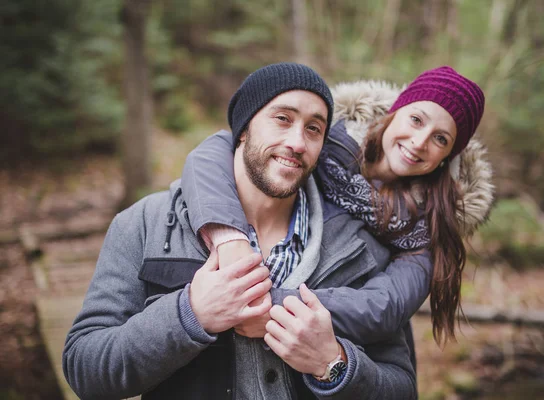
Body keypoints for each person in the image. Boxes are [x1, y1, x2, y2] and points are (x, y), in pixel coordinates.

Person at [62, 62, 420, 400]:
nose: (297, 142)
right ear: (245, 128)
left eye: (314, 128)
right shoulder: (145, 223)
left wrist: (333, 363)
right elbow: (85, 367)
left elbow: (403, 387)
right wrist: (189, 316)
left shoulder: (359, 248)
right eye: (282, 119)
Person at [181, 66, 494, 349]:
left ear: (446, 158)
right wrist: (229, 238)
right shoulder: (327, 142)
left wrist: (275, 307)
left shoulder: (426, 229)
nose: (419, 141)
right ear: (394, 112)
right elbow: (215, 151)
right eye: (416, 120)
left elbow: (384, 307)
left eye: (440, 138)